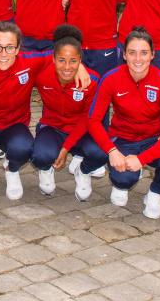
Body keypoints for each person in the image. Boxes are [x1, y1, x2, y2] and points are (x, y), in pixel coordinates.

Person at [0, 21, 90, 200]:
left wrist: (80, 66)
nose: (3, 53)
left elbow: (62, 54)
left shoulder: (30, 62)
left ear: (18, 49)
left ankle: (12, 169)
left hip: (14, 125)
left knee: (24, 147)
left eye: (9, 48)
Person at [82, 27, 160, 218]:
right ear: (124, 54)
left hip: (152, 140)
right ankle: (112, 179)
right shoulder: (111, 78)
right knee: (122, 178)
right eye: (132, 53)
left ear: (153, 55)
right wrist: (112, 151)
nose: (138, 59)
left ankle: (155, 192)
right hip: (123, 139)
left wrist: (142, 159)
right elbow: (93, 120)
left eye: (144, 53)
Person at [29, 25, 101, 196]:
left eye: (73, 61)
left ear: (80, 60)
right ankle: (46, 169)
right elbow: (23, 58)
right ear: (53, 59)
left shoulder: (91, 81)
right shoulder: (41, 74)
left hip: (81, 131)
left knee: (101, 152)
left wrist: (65, 148)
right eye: (61, 60)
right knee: (39, 156)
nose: (67, 67)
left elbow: (87, 118)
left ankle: (83, 171)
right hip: (52, 128)